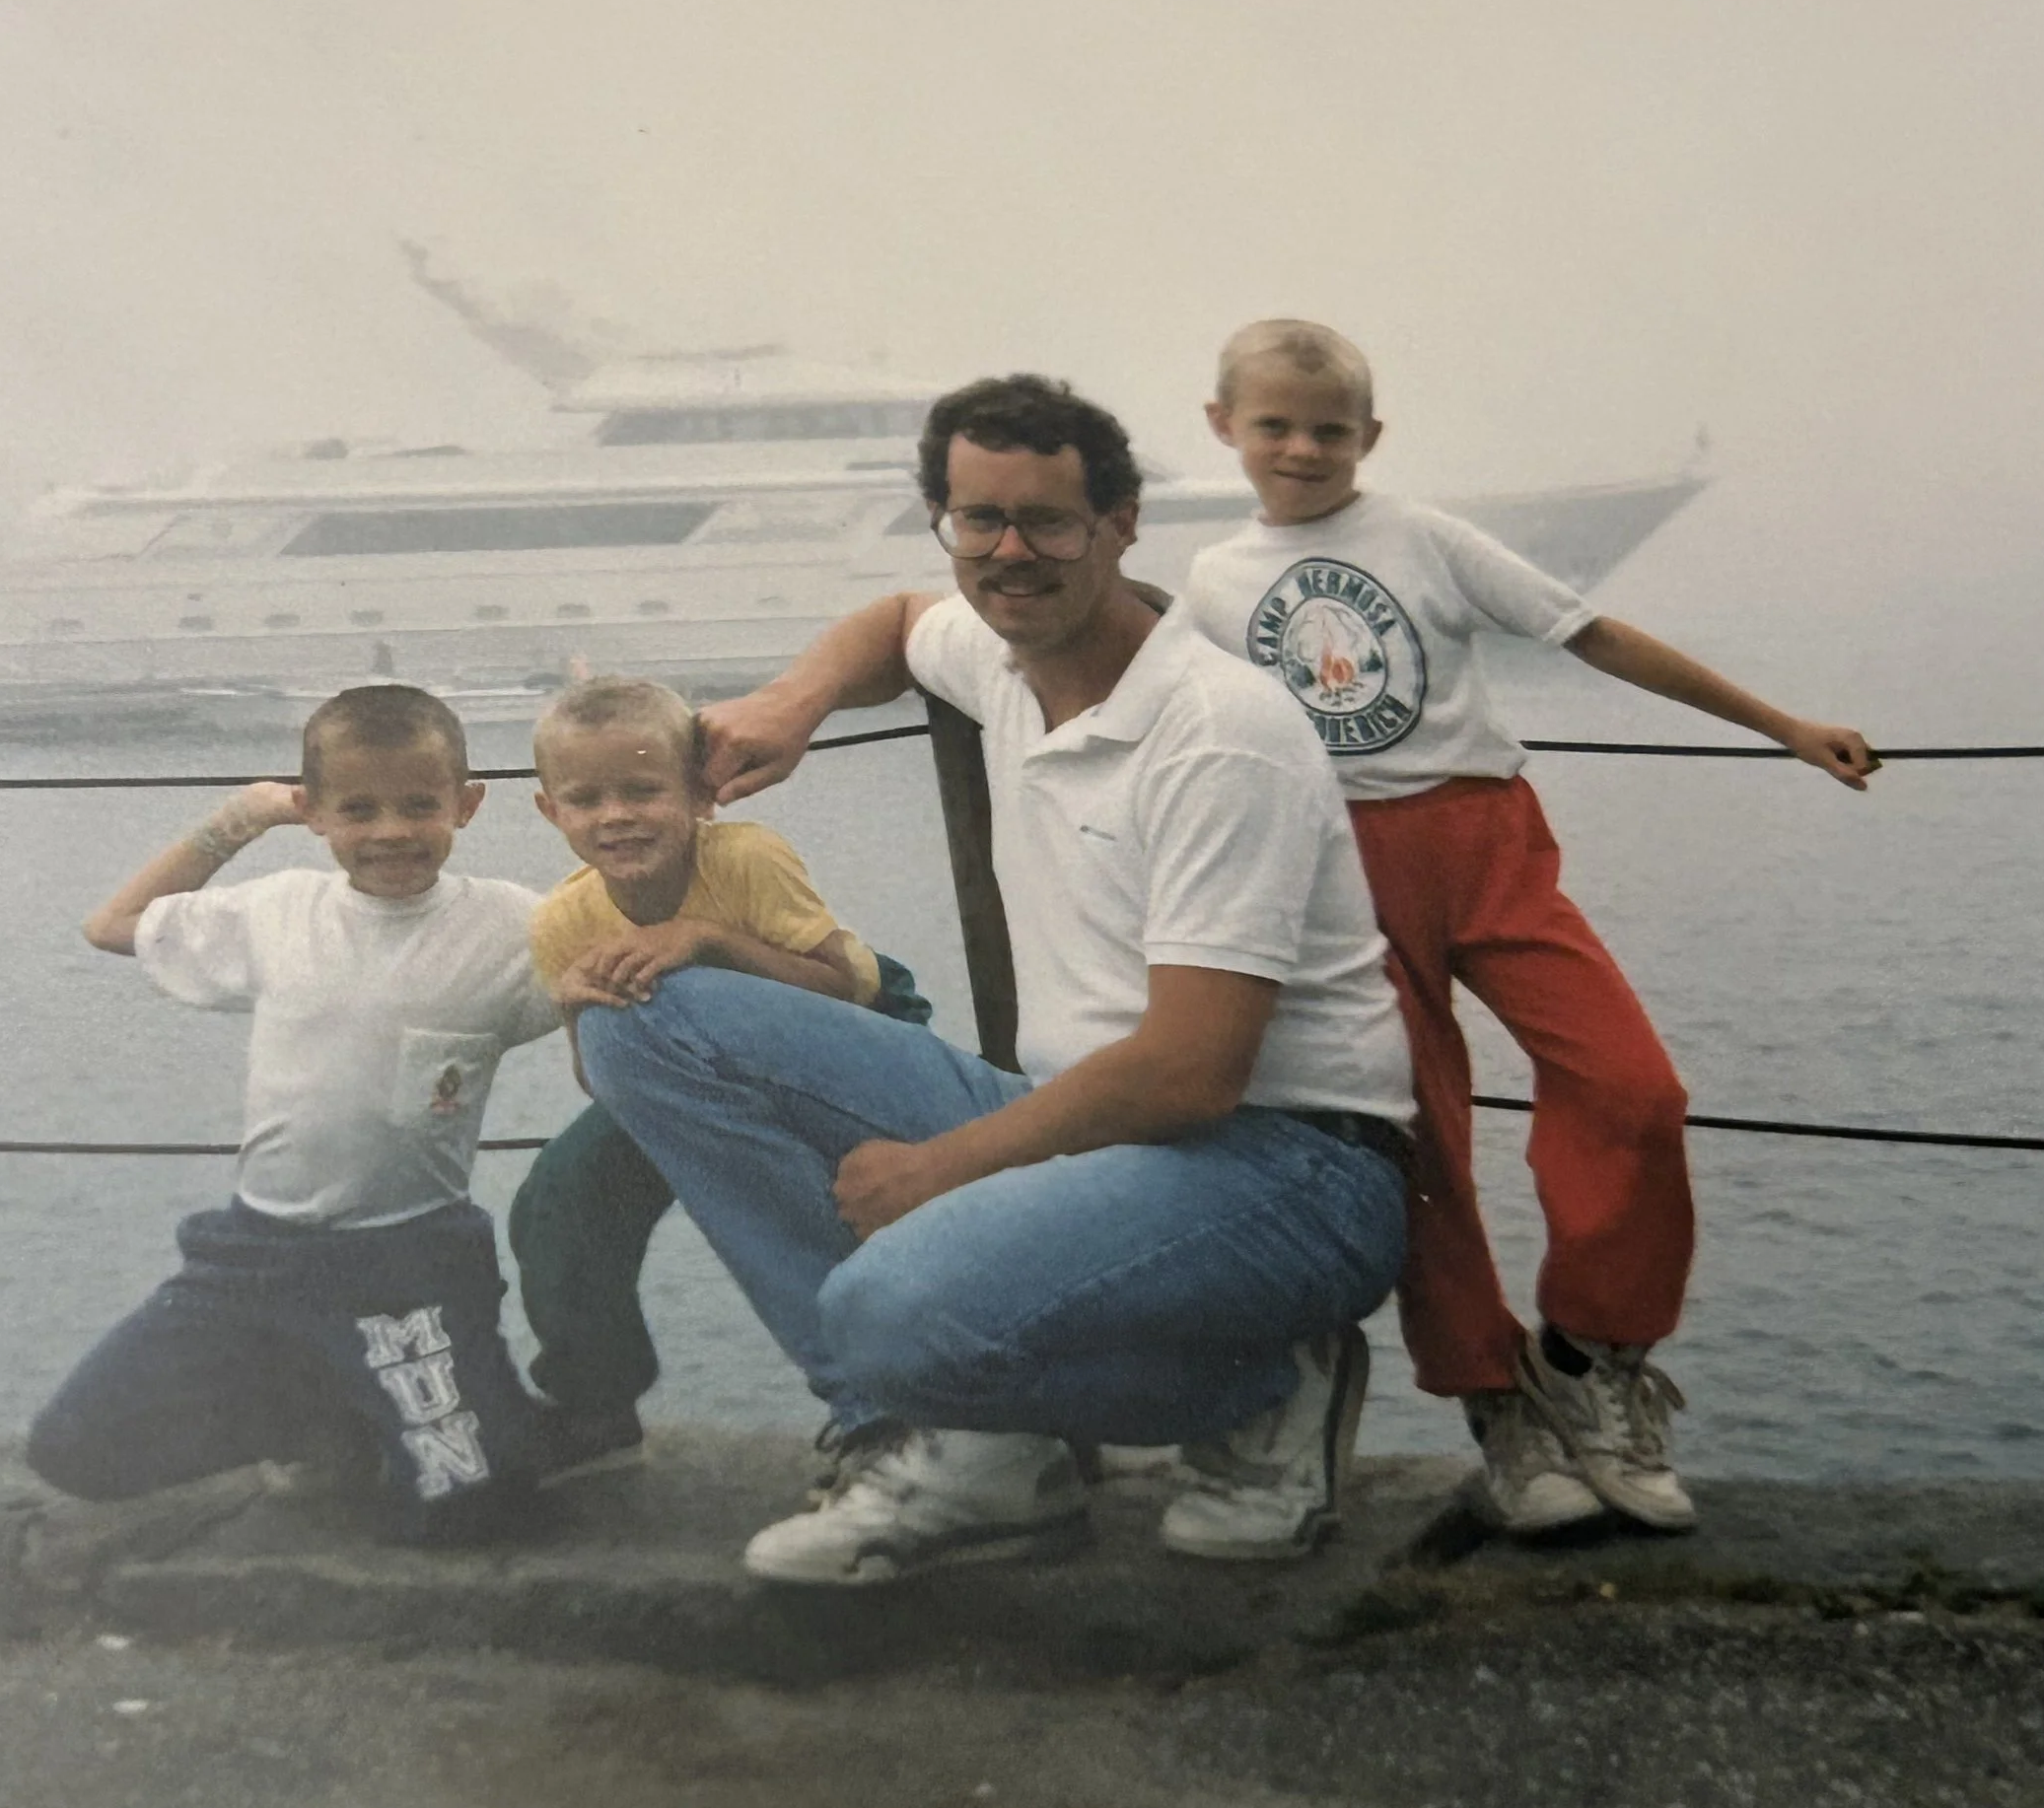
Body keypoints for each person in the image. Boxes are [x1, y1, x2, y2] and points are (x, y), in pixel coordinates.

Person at [575, 372, 1417, 1588]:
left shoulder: (1218, 734)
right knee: (644, 1022)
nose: (1009, 553)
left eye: (1049, 523)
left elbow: (1192, 1072)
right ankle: (966, 1455)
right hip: (1088, 1123)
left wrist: (940, 1171)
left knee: (885, 1307)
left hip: (1289, 1165)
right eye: (979, 519)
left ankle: (1259, 1384)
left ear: (1120, 526)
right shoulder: (1008, 655)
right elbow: (895, 621)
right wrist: (794, 702)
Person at [1183, 317, 1878, 1540]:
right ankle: (1494, 1402)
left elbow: (1589, 633)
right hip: (1338, 874)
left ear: (1370, 436)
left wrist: (1780, 726)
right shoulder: (1213, 584)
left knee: (1632, 1088)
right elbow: (1191, 739)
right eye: (1274, 425)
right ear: (1222, 426)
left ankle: (1589, 1354)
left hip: (1487, 841)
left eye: (1329, 429)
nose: (1301, 449)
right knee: (1420, 1147)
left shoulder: (1423, 536)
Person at [25, 682, 558, 1545]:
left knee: (471, 1507)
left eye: (419, 805)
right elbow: (110, 923)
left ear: (467, 803)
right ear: (313, 812)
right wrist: (238, 821)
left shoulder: (515, 925)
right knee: (74, 1448)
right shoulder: (275, 911)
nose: (391, 830)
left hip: (407, 1263)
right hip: (254, 1257)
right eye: (359, 809)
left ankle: (418, 1399)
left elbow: (623, 953)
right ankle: (316, 1414)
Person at [507, 675, 931, 1479]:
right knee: (563, 1191)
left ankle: (906, 1395)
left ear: (701, 795)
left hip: (844, 1026)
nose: (616, 815)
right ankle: (594, 1401)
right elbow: (603, 1083)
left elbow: (841, 986)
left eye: (642, 790)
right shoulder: (562, 920)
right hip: (680, 1069)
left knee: (853, 1201)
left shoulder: (745, 860)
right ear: (550, 810)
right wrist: (572, 1008)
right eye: (586, 798)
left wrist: (708, 940)